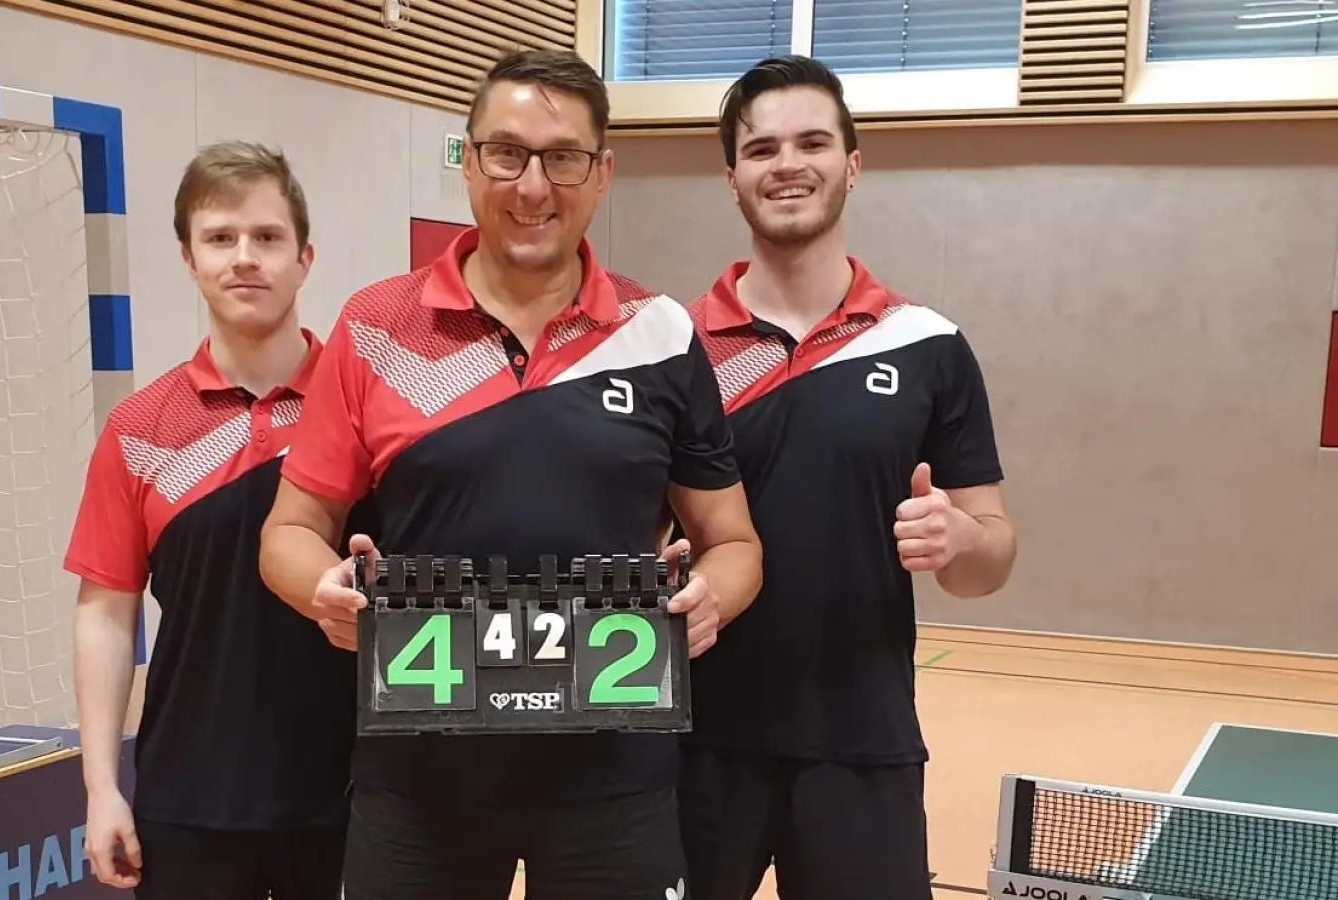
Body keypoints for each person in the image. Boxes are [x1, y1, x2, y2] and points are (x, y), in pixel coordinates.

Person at [258, 48, 764, 900]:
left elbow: (735, 542)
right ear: (469, 162)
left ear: (602, 174)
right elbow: (287, 532)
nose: (534, 186)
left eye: (563, 158)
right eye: (507, 153)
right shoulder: (376, 327)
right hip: (419, 784)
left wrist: (714, 593)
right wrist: (323, 588)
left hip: (615, 780)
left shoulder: (662, 332)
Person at [676, 56, 1018, 900]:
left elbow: (992, 558)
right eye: (761, 149)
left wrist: (963, 539)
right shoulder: (672, 348)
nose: (786, 163)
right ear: (733, 179)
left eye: (812, 142)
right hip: (690, 744)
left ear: (852, 165)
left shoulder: (928, 345)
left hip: (861, 742)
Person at [64, 141, 363, 900]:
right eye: (220, 239)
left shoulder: (365, 409)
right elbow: (105, 612)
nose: (244, 259)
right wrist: (102, 789)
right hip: (189, 799)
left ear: (305, 257)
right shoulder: (140, 429)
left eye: (267, 238)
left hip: (353, 796)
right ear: (190, 260)